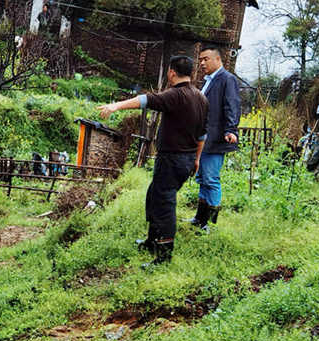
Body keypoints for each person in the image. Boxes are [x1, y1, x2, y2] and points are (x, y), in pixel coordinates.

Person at [98, 55, 208, 265]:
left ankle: (164, 256)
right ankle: (152, 240)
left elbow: (146, 100)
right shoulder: (201, 98)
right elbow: (203, 134)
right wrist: (197, 159)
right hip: (186, 159)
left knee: (165, 204)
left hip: (172, 159)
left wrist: (115, 106)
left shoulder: (176, 95)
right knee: (155, 196)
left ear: (172, 72)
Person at [189, 46, 241, 231]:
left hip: (216, 138)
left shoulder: (227, 79)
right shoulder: (209, 81)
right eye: (200, 59)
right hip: (204, 139)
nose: (202, 63)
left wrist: (231, 129)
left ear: (218, 59)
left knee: (211, 179)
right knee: (203, 178)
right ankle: (199, 218)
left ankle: (209, 224)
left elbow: (232, 105)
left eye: (206, 59)